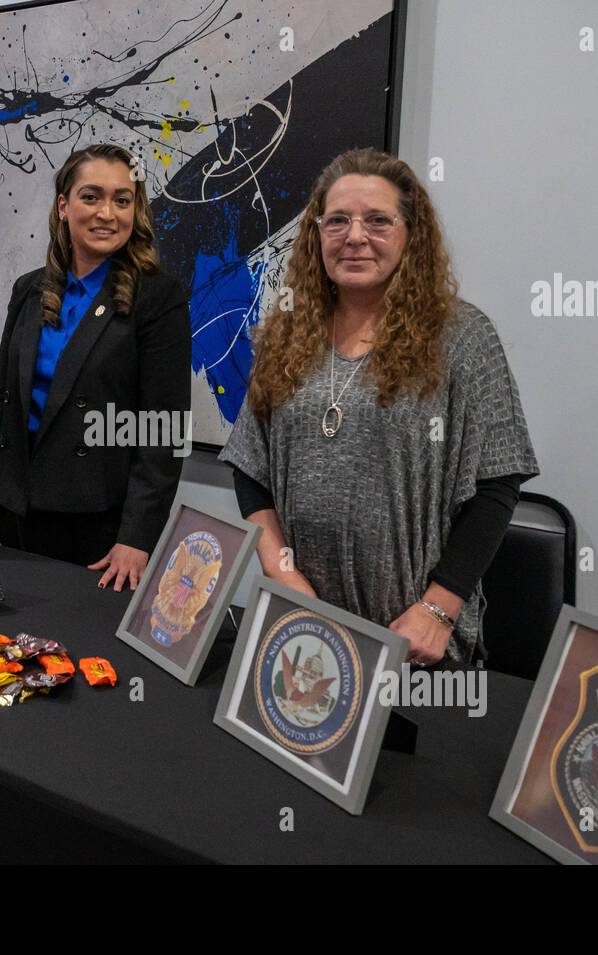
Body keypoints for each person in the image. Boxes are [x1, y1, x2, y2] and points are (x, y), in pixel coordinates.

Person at [220, 147, 540, 667]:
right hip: (303, 629)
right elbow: (250, 468)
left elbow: (496, 485)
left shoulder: (462, 337)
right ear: (316, 235)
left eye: (377, 221)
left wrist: (438, 610)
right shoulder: (286, 331)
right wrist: (281, 573)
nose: (354, 236)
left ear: (411, 234)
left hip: (412, 640)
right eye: (337, 221)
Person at [0, 143, 191, 591]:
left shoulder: (158, 297)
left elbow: (163, 429)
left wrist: (137, 537)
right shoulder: (29, 289)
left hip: (100, 530)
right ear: (64, 206)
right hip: (14, 515)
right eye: (91, 196)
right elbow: (1, 401)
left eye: (122, 200)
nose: (108, 213)